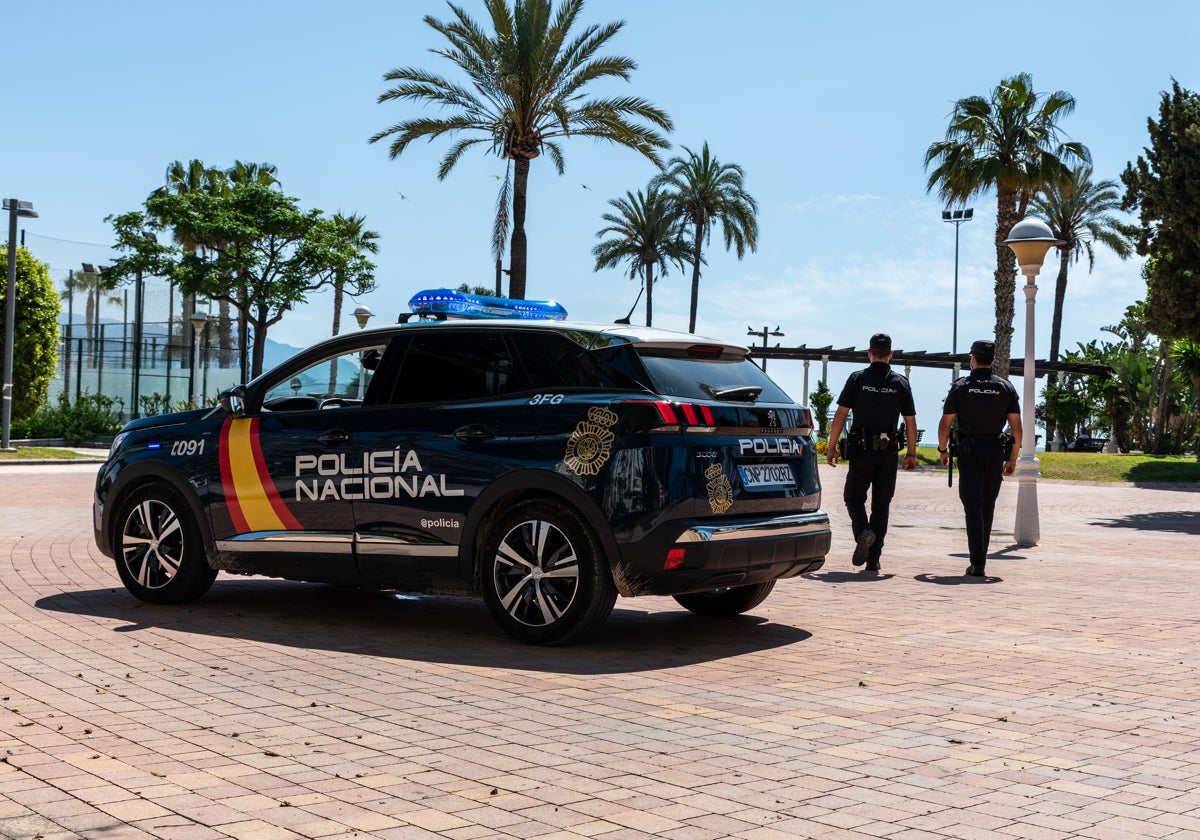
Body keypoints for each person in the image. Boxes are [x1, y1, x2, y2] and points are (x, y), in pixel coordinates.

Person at [826, 333, 918, 573]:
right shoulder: (900, 383)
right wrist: (911, 453)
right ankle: (874, 559)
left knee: (853, 498)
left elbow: (841, 415)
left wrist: (831, 445)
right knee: (882, 505)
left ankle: (863, 532)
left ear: (869, 353)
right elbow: (910, 422)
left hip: (861, 451)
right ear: (890, 354)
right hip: (887, 454)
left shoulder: (857, 378)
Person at [937, 339, 1022, 577]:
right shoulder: (1005, 387)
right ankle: (980, 559)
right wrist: (1012, 459)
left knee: (972, 506)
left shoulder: (961, 386)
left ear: (972, 359)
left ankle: (977, 562)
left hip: (969, 451)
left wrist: (942, 450)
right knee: (988, 505)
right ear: (994, 360)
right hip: (995, 451)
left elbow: (945, 424)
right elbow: (1017, 429)